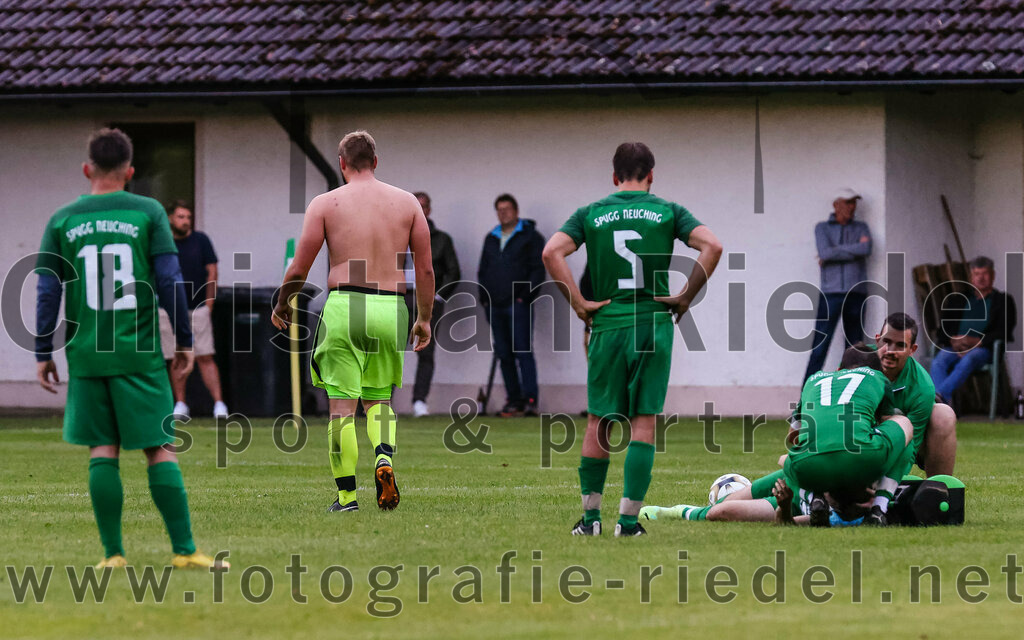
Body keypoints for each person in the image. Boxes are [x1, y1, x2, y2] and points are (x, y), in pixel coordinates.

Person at [34, 128, 227, 569]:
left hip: (86, 352)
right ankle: (184, 551)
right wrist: (183, 339)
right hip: (138, 352)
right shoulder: (148, 213)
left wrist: (43, 350)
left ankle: (113, 555)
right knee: (159, 446)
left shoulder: (62, 220)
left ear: (87, 169)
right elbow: (169, 280)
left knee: (102, 448)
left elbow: (47, 291)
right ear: (131, 171)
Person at [543, 141, 723, 536]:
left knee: (599, 421)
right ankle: (627, 523)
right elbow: (713, 245)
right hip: (653, 324)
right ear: (651, 175)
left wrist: (579, 303)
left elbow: (552, 252)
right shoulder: (668, 211)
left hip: (608, 322)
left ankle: (590, 521)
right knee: (643, 420)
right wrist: (685, 297)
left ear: (614, 176)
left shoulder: (591, 213)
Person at [272, 130, 434, 513]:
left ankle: (346, 498)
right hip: (390, 306)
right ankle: (384, 459)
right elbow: (425, 270)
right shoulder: (408, 203)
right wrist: (424, 318)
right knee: (379, 401)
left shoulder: (326, 203)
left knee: (341, 408)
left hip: (345, 304)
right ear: (376, 162)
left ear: (342, 164)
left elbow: (300, 265)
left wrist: (284, 301)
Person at [477, 193, 546, 417]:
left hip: (518, 305)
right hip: (495, 305)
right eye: (499, 209)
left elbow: (538, 269)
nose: (503, 213)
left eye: (507, 209)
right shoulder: (491, 238)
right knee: (504, 353)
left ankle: (530, 399)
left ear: (516, 211)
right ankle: (514, 399)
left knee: (523, 350)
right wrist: (484, 298)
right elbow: (483, 269)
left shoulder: (531, 237)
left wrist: (525, 297)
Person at [159, 200, 228, 419]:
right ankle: (180, 405)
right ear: (170, 219)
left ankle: (219, 405)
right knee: (176, 356)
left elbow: (212, 271)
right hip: (168, 310)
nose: (185, 221)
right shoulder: (163, 242)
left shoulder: (201, 240)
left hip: (197, 309)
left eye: (188, 217)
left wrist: (209, 304)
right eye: (181, 217)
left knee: (205, 356)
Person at [804, 187, 872, 380]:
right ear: (836, 204)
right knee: (820, 346)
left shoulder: (861, 227)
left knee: (855, 348)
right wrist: (851, 250)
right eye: (848, 202)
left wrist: (835, 251)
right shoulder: (822, 227)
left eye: (854, 202)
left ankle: (853, 392)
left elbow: (866, 248)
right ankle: (806, 395)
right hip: (830, 293)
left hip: (856, 292)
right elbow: (825, 252)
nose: (852, 207)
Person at [930, 255, 1017, 404]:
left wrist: (977, 341)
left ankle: (938, 399)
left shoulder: (1002, 300)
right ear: (971, 277)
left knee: (970, 358)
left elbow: (1005, 329)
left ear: (993, 276)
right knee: (939, 361)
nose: (981, 278)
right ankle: (942, 403)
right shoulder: (958, 299)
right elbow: (943, 328)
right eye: (977, 274)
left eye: (985, 274)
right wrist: (953, 340)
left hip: (984, 349)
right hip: (955, 347)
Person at [405, 191, 461, 417]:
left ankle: (419, 401)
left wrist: (437, 296)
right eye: (415, 206)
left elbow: (454, 272)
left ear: (429, 210)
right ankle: (382, 400)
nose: (420, 210)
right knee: (389, 350)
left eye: (423, 206)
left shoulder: (441, 239)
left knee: (425, 351)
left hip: (426, 301)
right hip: (399, 298)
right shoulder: (396, 235)